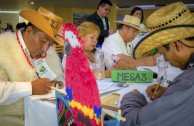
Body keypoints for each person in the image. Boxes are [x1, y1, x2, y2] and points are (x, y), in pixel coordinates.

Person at [120, 2, 194, 126]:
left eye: (163, 53)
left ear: (175, 45)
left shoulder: (188, 83)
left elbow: (135, 122)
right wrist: (169, 93)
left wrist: (132, 97)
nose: (165, 60)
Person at [0, 7, 64, 126]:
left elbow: (56, 78)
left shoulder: (50, 54)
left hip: (42, 115)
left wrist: (55, 83)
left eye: (49, 44)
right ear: (29, 31)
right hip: (10, 119)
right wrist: (30, 88)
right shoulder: (2, 47)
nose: (45, 49)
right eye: (42, 40)